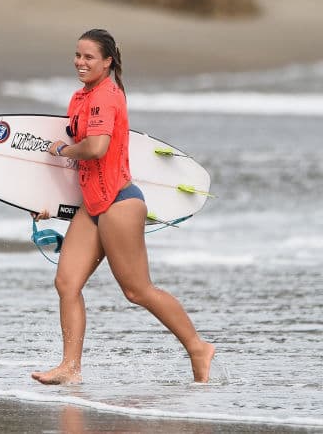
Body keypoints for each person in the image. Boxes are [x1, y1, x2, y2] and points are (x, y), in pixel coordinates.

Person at [32, 28, 215, 385]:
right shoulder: (80, 98)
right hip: (92, 205)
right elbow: (80, 169)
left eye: (88, 57)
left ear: (107, 61)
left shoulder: (107, 97)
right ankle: (70, 367)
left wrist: (61, 149)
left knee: (137, 291)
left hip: (118, 201)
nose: (80, 62)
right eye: (77, 55)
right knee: (66, 283)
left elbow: (96, 149)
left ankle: (197, 346)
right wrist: (51, 205)